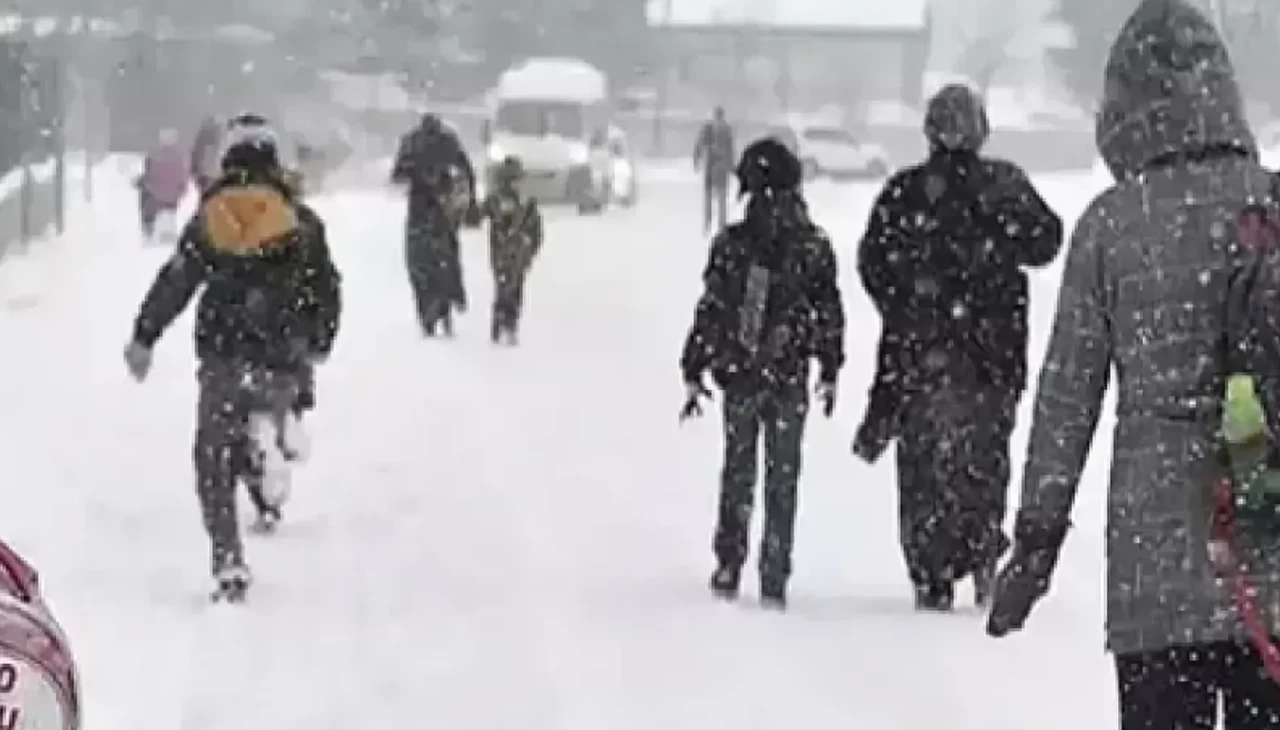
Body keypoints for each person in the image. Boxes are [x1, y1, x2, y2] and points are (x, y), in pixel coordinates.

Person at [985, 1, 1280, 727]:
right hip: (1267, 549)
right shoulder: (1271, 203)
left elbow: (1067, 401)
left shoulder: (1110, 226)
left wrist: (1036, 542)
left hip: (1157, 572)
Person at [853, 83, 1062, 611]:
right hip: (992, 356)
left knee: (923, 466)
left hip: (921, 357)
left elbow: (872, 262)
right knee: (984, 459)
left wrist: (906, 304)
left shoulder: (906, 193)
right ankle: (982, 548)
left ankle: (931, 570)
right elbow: (1046, 242)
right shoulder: (1003, 185)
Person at [122, 113, 342, 602]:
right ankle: (282, 427)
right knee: (269, 405)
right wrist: (319, 341)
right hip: (282, 355)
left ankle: (228, 558)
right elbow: (326, 290)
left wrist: (144, 336)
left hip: (224, 353)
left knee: (213, 455)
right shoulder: (301, 222)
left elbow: (177, 280)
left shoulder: (211, 218)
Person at [679, 137, 845, 610]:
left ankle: (729, 561)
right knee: (782, 475)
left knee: (738, 470)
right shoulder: (813, 246)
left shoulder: (733, 244)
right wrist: (830, 364)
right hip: (789, 374)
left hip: (742, 372)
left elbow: (712, 308)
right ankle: (774, 569)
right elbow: (829, 311)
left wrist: (695, 363)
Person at [391, 112, 478, 338]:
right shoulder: (442, 141)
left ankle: (437, 306)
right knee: (440, 258)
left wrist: (416, 173)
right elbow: (466, 170)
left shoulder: (415, 142)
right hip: (432, 206)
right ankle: (442, 304)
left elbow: (397, 174)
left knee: (426, 261)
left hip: (431, 206)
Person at [481, 156, 543, 345]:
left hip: (519, 252)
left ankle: (508, 323)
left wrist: (531, 247)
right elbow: (477, 214)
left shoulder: (527, 203)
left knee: (513, 287)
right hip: (502, 251)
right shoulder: (496, 200)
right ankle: (503, 322)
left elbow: (536, 228)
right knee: (505, 286)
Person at [135, 128, 189, 243]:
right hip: (173, 197)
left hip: (156, 196)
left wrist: (140, 182)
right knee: (168, 201)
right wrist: (181, 190)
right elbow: (183, 177)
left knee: (145, 199)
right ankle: (167, 227)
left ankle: (148, 230)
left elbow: (149, 176)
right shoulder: (181, 156)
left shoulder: (154, 155)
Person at [693, 106, 736, 233]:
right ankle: (720, 224)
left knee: (710, 196)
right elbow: (730, 149)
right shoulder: (725, 129)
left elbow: (699, 144)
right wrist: (732, 166)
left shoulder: (709, 127)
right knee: (720, 197)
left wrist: (697, 159)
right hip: (720, 167)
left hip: (711, 165)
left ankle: (708, 222)